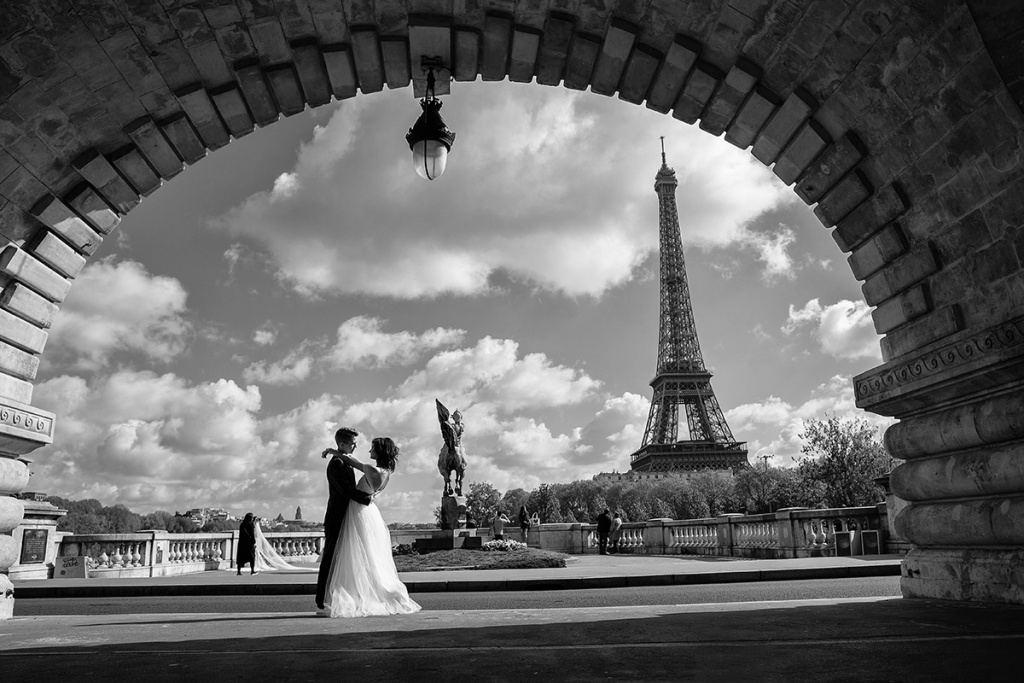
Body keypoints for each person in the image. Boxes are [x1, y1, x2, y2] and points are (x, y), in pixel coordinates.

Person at [322, 436, 421, 618]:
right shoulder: (386, 472)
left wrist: (332, 451)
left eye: (372, 448)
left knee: (356, 553)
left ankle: (359, 593)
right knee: (368, 555)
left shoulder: (372, 470)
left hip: (359, 510)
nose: (369, 451)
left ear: (379, 452)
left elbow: (352, 461)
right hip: (369, 511)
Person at [315, 427, 373, 614]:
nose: (356, 446)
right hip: (336, 516)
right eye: (353, 443)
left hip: (342, 514)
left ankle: (331, 597)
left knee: (338, 558)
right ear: (342, 444)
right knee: (331, 557)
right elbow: (346, 490)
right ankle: (322, 600)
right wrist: (367, 499)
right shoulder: (338, 464)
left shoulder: (343, 461)